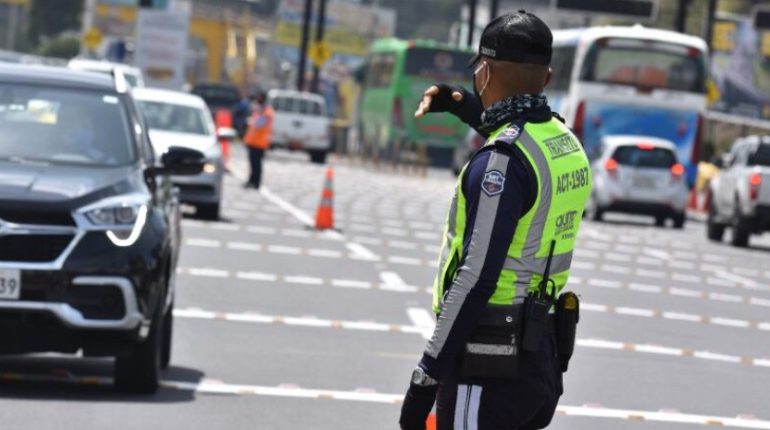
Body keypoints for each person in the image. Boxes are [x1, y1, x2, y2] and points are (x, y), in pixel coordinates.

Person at [399, 11, 591, 430]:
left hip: (487, 362)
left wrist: (426, 376)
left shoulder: (500, 165)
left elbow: (476, 277)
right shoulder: (565, 143)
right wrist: (457, 103)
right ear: (546, 78)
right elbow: (518, 126)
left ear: (483, 73)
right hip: (538, 359)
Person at [242, 91, 274, 189]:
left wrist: (255, 117)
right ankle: (251, 180)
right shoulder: (259, 110)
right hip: (253, 142)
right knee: (252, 163)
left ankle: (256, 182)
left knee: (257, 164)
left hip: (260, 143)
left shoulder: (266, 111)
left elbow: (259, 124)